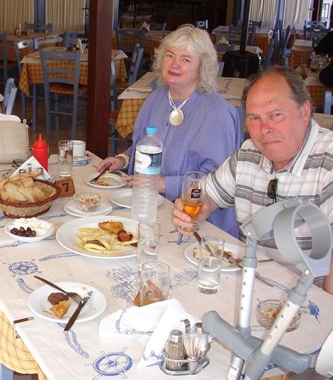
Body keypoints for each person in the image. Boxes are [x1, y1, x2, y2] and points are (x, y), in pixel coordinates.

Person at [172, 67, 333, 295]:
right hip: (246, 282)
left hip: (305, 298)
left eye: (276, 115)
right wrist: (200, 207)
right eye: (254, 118)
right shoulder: (249, 152)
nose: (265, 129)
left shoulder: (329, 162)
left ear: (304, 111)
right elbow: (207, 193)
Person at [98, 24, 243, 237]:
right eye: (170, 55)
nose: (175, 64)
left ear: (202, 67)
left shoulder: (218, 113)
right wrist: (123, 159)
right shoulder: (156, 98)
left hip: (197, 222)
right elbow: (144, 147)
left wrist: (164, 184)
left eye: (186, 59)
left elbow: (220, 182)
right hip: (150, 208)